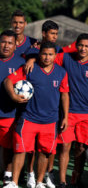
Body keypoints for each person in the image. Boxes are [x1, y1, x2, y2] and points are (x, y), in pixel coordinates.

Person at [3, 42, 69, 188]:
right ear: (39, 54)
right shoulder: (29, 68)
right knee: (20, 150)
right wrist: (14, 96)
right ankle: (13, 182)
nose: (47, 57)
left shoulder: (61, 72)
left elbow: (64, 95)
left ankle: (39, 182)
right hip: (28, 118)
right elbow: (8, 80)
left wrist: (65, 116)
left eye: (50, 54)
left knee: (44, 153)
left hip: (50, 121)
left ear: (55, 55)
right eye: (44, 54)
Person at [55, 33, 88, 187]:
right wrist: (32, 58)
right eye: (80, 45)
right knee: (65, 146)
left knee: (81, 147)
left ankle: (76, 177)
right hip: (68, 113)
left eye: (86, 46)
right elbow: (49, 58)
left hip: (86, 115)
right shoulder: (66, 58)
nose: (83, 49)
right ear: (76, 45)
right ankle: (63, 181)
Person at [25, 20, 62, 188]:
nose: (55, 37)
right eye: (52, 34)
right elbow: (31, 59)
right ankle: (31, 173)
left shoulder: (60, 50)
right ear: (44, 33)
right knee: (32, 147)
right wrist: (32, 59)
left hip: (54, 105)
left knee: (50, 148)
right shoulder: (32, 51)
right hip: (33, 107)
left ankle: (47, 175)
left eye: (56, 34)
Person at [0, 30, 25, 186]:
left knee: (7, 146)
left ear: (16, 45)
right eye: (3, 42)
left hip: (9, 113)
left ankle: (8, 174)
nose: (6, 46)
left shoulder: (21, 63)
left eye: (10, 43)